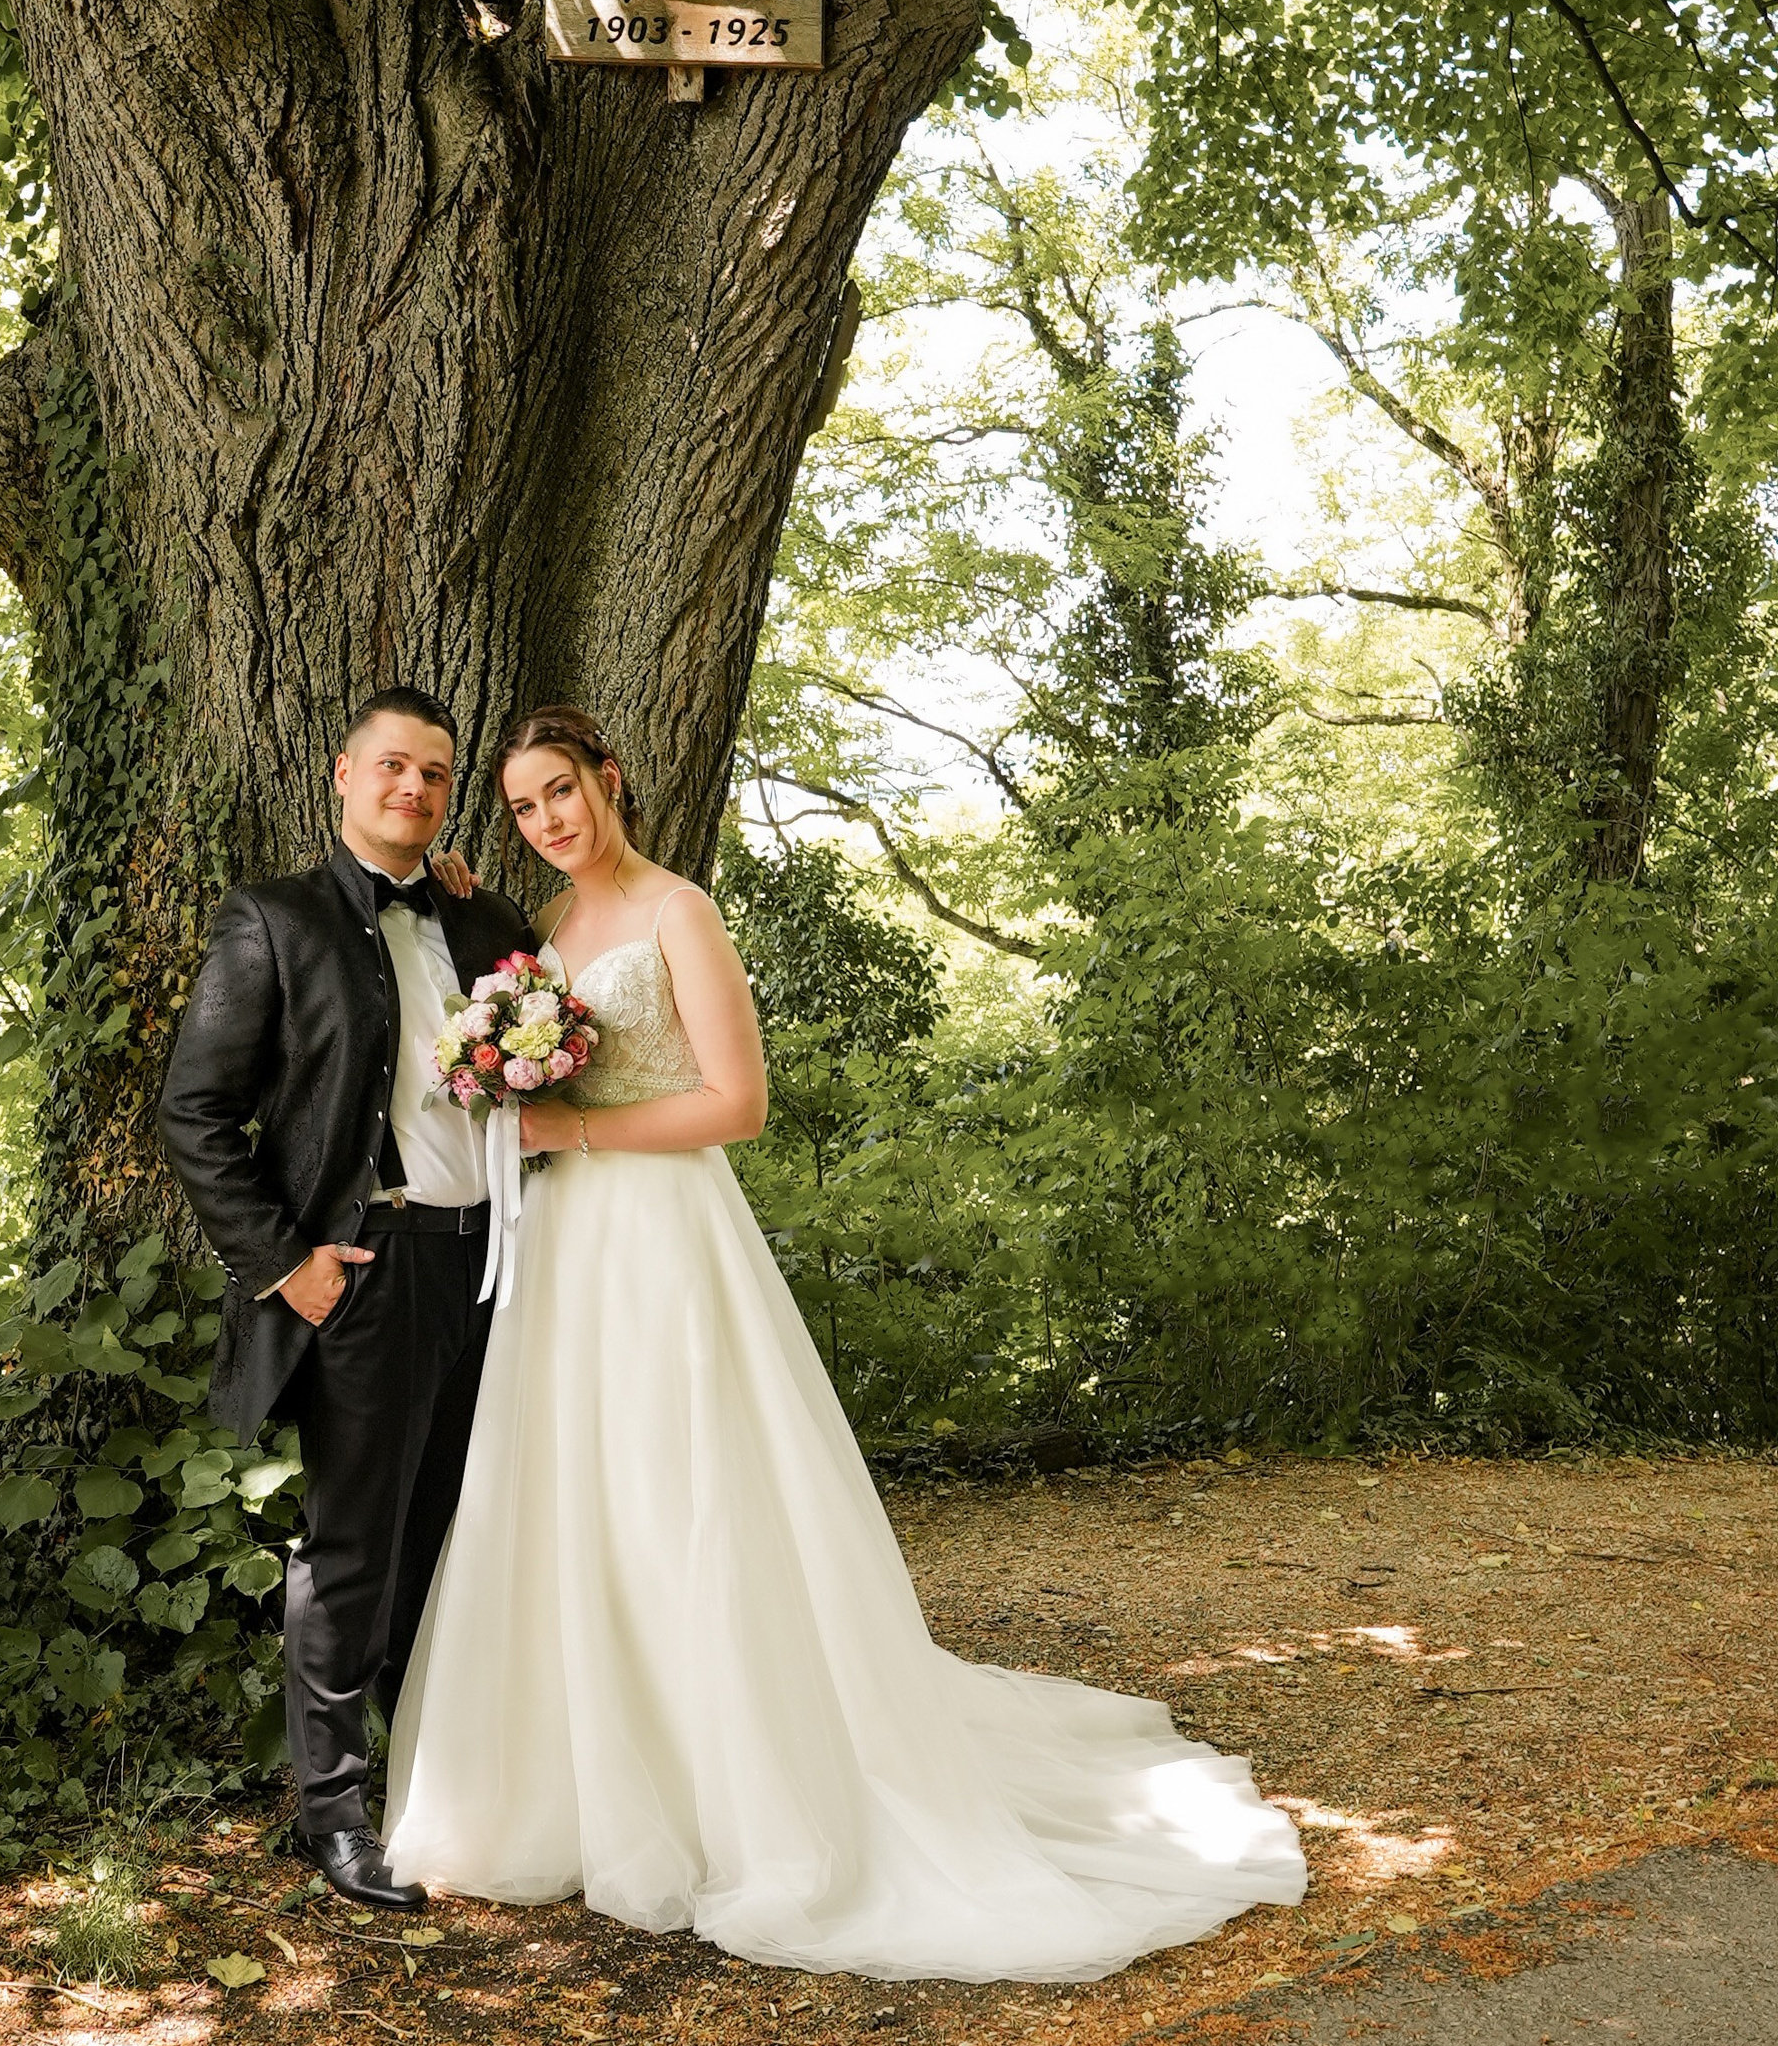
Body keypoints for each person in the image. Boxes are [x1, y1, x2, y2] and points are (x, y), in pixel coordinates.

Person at [383, 705, 1308, 1980]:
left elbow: (737, 1102)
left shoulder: (678, 911)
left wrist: (572, 1132)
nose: (547, 818)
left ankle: (739, 1783)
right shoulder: (543, 926)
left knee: (683, 1488)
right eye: (524, 804)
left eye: (562, 789)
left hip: (662, 1230)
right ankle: (593, 1777)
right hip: (568, 1244)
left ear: (610, 778)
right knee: (581, 1492)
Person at [158, 688, 538, 1911]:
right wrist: (288, 1262)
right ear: (341, 772)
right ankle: (332, 1812)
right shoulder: (272, 920)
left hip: (499, 1268)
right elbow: (194, 1113)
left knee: (457, 1536)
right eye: (391, 765)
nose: (412, 787)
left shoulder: (487, 923)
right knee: (353, 1547)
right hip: (368, 1272)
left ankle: (438, 1788)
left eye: (434, 772)